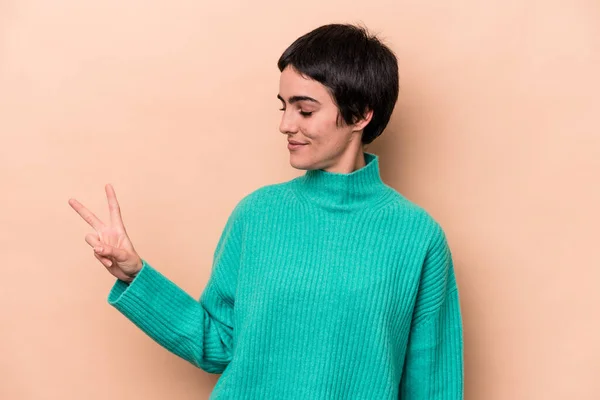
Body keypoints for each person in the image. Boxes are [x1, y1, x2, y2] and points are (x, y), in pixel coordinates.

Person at [69, 23, 463, 399]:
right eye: (283, 107)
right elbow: (217, 344)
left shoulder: (418, 237)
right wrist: (135, 275)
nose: (286, 125)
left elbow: (432, 386)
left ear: (360, 114)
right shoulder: (257, 215)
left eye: (305, 110)